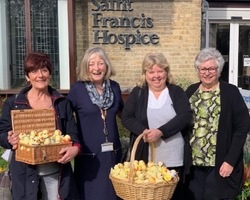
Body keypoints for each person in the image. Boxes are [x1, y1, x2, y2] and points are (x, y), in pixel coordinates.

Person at [0, 52, 80, 200]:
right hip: (24, 174)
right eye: (34, 71)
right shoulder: (13, 104)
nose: (40, 75)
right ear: (27, 76)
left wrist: (74, 149)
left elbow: (73, 134)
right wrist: (8, 138)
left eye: (44, 70)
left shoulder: (61, 103)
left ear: (49, 74)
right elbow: (2, 133)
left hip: (56, 173)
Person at [121, 52, 192, 200]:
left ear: (166, 72)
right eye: (151, 71)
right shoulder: (138, 93)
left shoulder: (176, 92)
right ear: (145, 74)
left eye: (160, 71)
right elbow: (126, 117)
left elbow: (185, 116)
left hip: (173, 160)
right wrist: (144, 132)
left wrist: (161, 131)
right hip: (146, 161)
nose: (156, 76)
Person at [185, 47, 250, 200]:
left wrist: (230, 161)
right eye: (203, 69)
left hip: (220, 166)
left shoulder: (230, 92)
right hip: (193, 165)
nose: (207, 72)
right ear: (198, 70)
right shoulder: (190, 91)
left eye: (211, 68)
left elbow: (242, 128)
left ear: (219, 70)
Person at [67, 47, 124, 200]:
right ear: (86, 66)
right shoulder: (77, 89)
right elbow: (65, 118)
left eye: (100, 63)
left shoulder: (114, 87)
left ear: (106, 66)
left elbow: (125, 115)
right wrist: (69, 141)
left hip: (113, 155)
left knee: (114, 193)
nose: (96, 68)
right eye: (91, 64)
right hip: (89, 156)